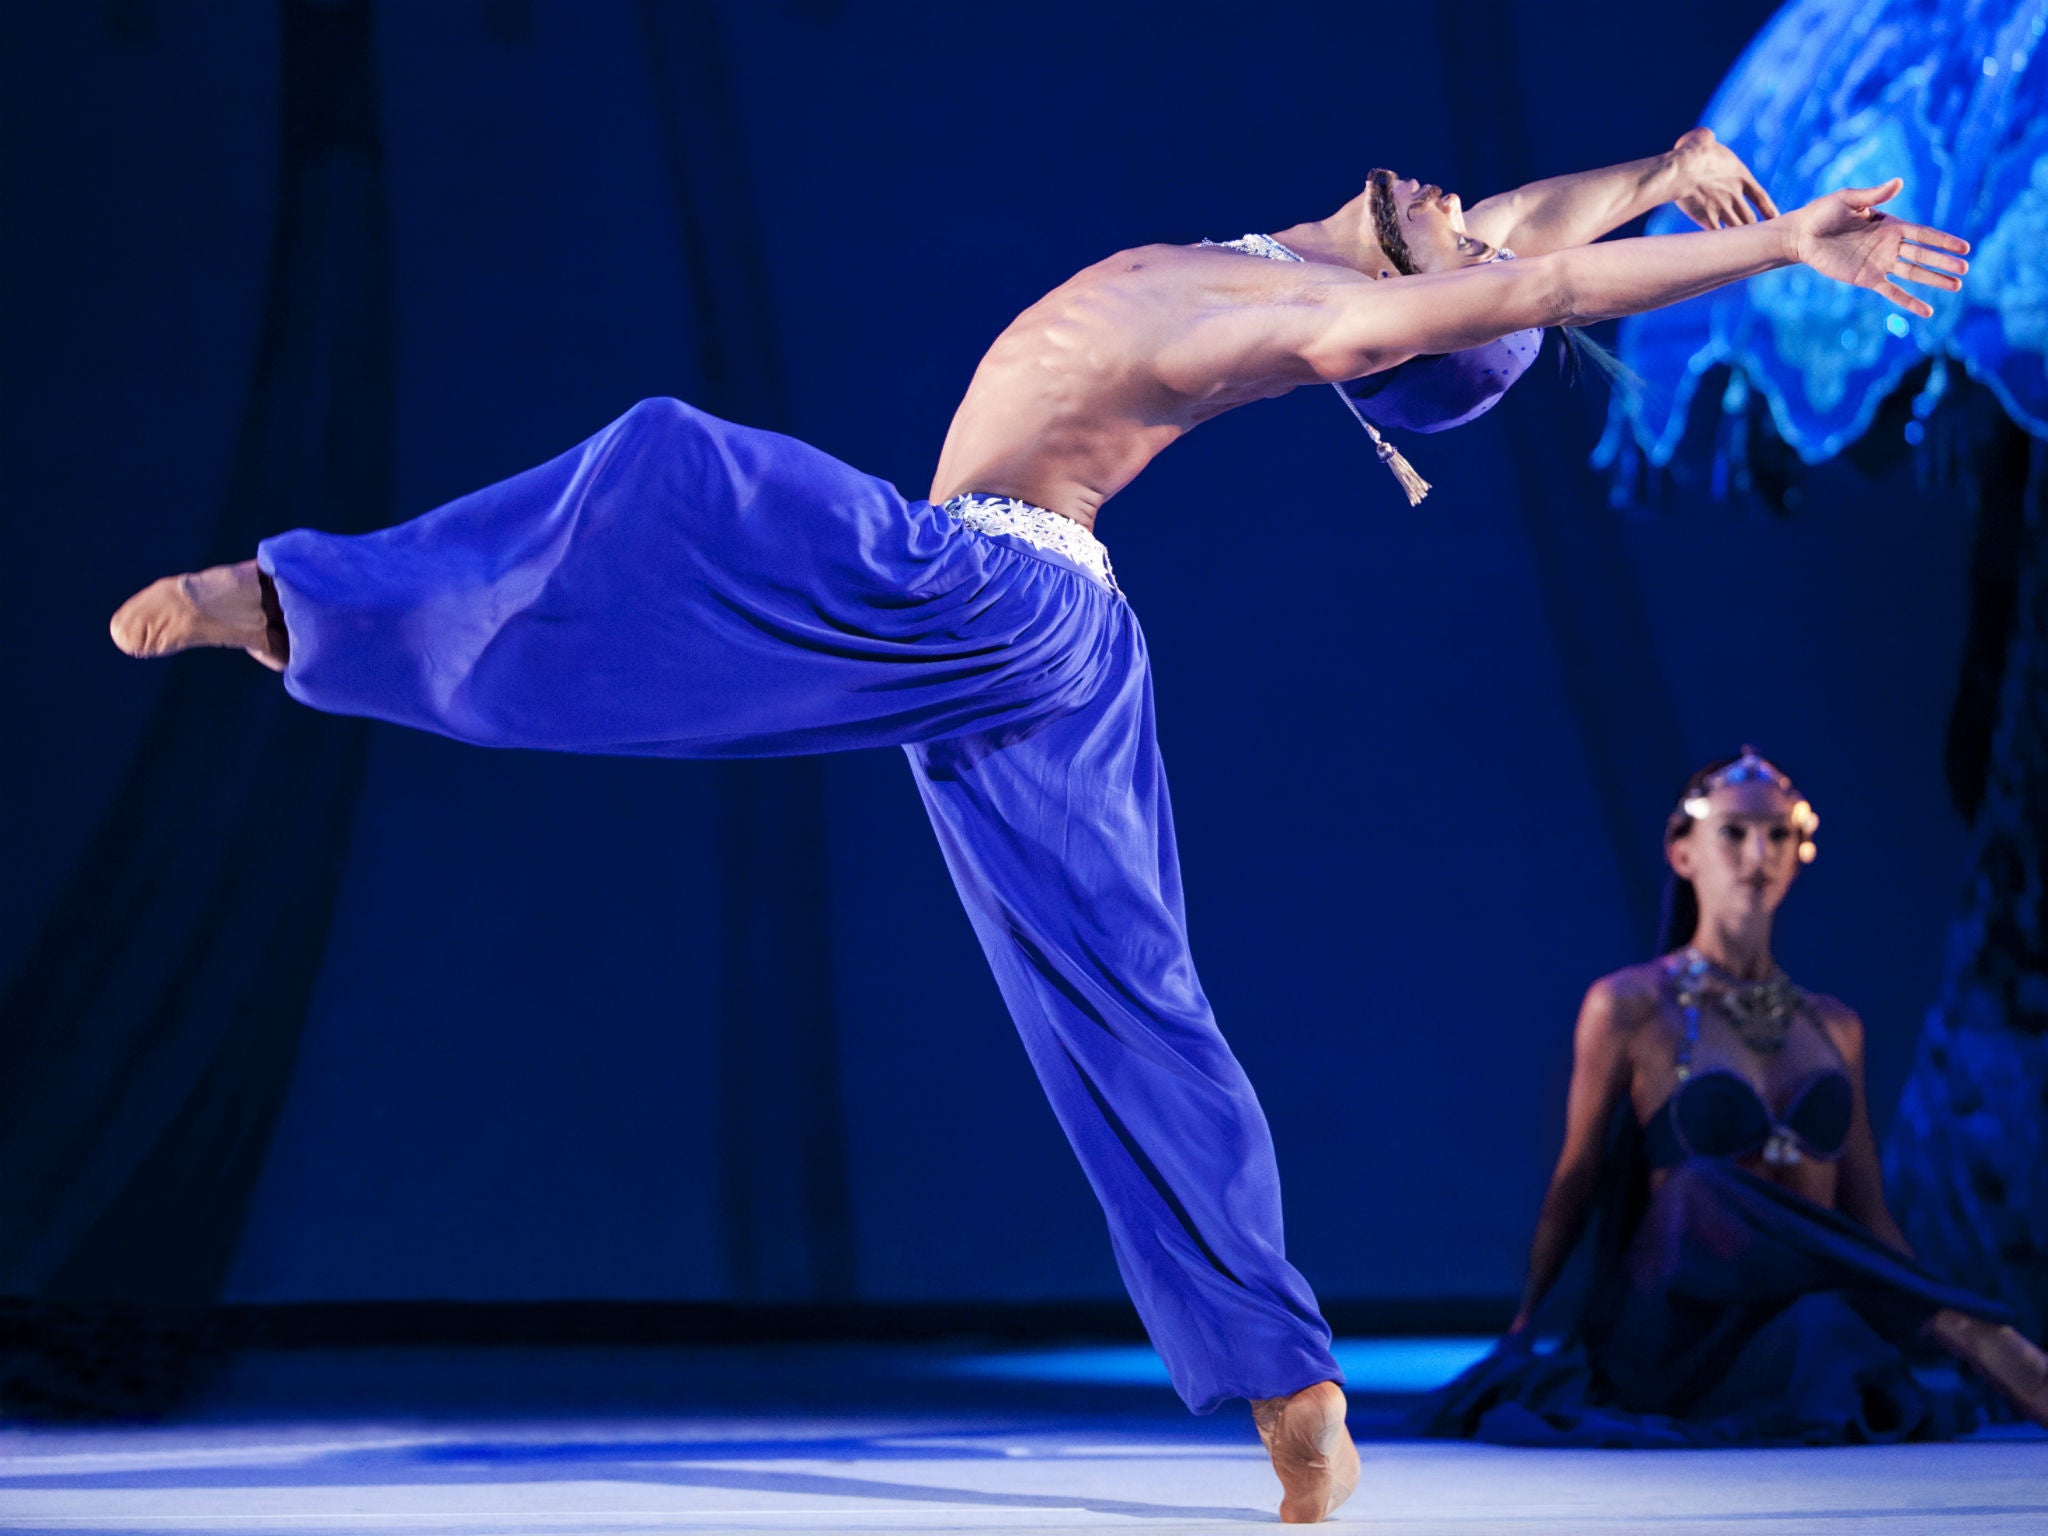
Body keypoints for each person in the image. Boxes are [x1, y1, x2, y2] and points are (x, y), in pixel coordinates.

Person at [109, 131, 1970, 1520]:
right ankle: (1289, 1391)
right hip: (1048, 636)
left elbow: (1528, 292)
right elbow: (1537, 241)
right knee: (1125, 994)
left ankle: (301, 607)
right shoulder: (1326, 256)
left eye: (1454, 244)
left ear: (1407, 321)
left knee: (668, 466)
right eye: (1467, 216)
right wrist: (1656, 169)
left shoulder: (1337, 315)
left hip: (984, 598)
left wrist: (1781, 249)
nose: (1465, 204)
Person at [1419, 750, 2048, 1447]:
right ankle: (1981, 1336)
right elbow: (1579, 1179)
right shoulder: (1631, 1004)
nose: (1759, 854)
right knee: (1702, 1187)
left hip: (1788, 1317)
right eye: (1735, 833)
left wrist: (1912, 1297)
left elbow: (1867, 1214)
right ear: (1683, 853)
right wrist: (1526, 1322)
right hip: (1674, 1321)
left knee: (1827, 1333)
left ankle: (1954, 1330)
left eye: (1779, 834)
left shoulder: (1833, 1025)